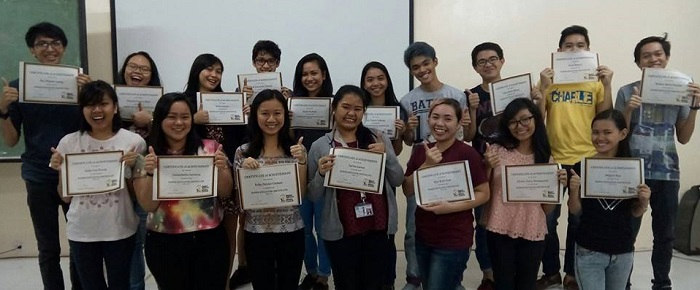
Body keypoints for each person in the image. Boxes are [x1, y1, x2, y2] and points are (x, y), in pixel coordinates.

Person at [0, 21, 91, 290]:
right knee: (48, 247)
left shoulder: (81, 85)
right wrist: (3, 110)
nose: (50, 49)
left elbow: (96, 127)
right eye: (42, 43)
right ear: (32, 50)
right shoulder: (18, 88)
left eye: (56, 43)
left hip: (75, 175)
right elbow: (11, 139)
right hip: (39, 176)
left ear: (63, 48)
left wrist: (88, 96)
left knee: (80, 242)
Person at [614, 34, 699, 290]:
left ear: (666, 57)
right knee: (626, 232)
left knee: (665, 235)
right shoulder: (627, 91)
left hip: (667, 173)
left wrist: (695, 107)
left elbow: (683, 137)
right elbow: (618, 136)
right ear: (639, 62)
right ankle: (623, 283)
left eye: (658, 54)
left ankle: (662, 283)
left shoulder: (682, 89)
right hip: (633, 172)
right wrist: (628, 109)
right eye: (646, 56)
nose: (653, 59)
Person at [534, 25, 614, 290]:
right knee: (547, 220)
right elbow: (537, 119)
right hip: (553, 159)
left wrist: (607, 84)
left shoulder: (595, 81)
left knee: (579, 220)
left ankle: (572, 273)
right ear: (559, 51)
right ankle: (552, 273)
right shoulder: (549, 79)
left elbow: (605, 118)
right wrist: (543, 88)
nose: (575, 49)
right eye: (569, 45)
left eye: (581, 45)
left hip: (586, 159)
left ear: (589, 50)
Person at [49, 80, 146, 289]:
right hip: (82, 230)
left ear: (115, 107)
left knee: (120, 284)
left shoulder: (133, 142)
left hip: (120, 227)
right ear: (82, 110)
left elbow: (136, 195)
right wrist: (60, 170)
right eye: (90, 105)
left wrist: (133, 168)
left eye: (103, 104)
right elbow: (65, 197)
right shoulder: (69, 143)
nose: (97, 110)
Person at [306, 85, 404, 290]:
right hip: (341, 232)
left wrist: (386, 156)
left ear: (364, 112)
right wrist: (322, 174)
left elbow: (397, 179)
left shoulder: (378, 138)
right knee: (346, 283)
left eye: (358, 108)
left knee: (374, 284)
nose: (351, 113)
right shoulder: (320, 145)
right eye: (346, 107)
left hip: (377, 226)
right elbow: (312, 195)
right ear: (334, 108)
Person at [133, 92, 233, 289]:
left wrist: (221, 168)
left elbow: (225, 192)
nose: (179, 122)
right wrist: (151, 173)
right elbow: (148, 205)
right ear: (160, 119)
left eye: (185, 117)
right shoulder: (147, 155)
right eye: (171, 116)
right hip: (165, 242)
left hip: (209, 239)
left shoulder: (210, 148)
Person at [399, 42, 470, 290]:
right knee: (413, 225)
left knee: (451, 219)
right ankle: (414, 277)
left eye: (425, 63)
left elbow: (466, 133)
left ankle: (451, 279)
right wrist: (407, 131)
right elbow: (409, 140)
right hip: (423, 158)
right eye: (415, 67)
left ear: (435, 62)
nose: (422, 70)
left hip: (452, 164)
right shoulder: (407, 99)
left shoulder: (456, 95)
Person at [402, 98, 490, 290]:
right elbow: (407, 189)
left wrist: (451, 207)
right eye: (435, 117)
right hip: (423, 236)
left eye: (448, 118)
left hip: (454, 238)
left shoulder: (468, 154)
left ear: (459, 124)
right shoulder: (420, 151)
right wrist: (426, 165)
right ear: (428, 120)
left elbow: (484, 193)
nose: (440, 123)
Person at [481, 98, 564, 290]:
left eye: (525, 119)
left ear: (535, 119)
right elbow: (484, 192)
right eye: (513, 121)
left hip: (532, 229)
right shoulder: (496, 151)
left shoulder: (546, 158)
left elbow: (547, 209)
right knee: (503, 283)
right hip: (499, 228)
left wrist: (556, 189)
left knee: (526, 284)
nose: (519, 126)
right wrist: (487, 166)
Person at [567, 109, 651, 289]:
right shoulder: (581, 167)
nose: (600, 138)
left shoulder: (633, 169)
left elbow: (635, 212)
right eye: (595, 132)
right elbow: (575, 210)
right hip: (589, 249)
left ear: (622, 134)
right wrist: (574, 190)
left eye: (607, 132)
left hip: (622, 251)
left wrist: (644, 202)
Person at [229, 40, 289, 289]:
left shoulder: (284, 93)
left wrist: (288, 101)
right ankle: (246, 268)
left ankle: (277, 266)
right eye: (260, 60)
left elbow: (288, 129)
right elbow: (231, 127)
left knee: (279, 211)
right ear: (253, 63)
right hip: (249, 157)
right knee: (247, 217)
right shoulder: (240, 91)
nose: (265, 65)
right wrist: (242, 105)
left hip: (278, 158)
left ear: (277, 64)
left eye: (271, 61)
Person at [233, 89, 307, 289]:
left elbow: (301, 194)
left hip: (291, 230)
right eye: (265, 113)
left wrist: (301, 161)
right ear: (255, 115)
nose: (271, 119)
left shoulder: (296, 150)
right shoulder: (243, 152)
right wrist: (245, 174)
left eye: (277, 113)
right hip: (256, 232)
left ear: (285, 115)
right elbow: (239, 200)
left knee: (288, 284)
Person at [183, 53, 244, 290]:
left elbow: (240, 140)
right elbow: (170, 131)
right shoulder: (184, 102)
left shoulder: (227, 101)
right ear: (197, 70)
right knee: (198, 235)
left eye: (219, 71)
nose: (214, 75)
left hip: (224, 174)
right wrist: (193, 119)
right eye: (209, 69)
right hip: (193, 180)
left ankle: (224, 283)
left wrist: (245, 113)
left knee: (228, 234)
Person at [114, 50, 162, 290]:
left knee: (151, 239)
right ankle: (135, 286)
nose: (138, 72)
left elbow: (167, 138)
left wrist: (151, 121)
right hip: (117, 187)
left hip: (147, 184)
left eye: (144, 69)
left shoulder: (161, 106)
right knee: (128, 244)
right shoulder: (110, 103)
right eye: (133, 66)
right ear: (124, 70)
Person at [464, 42, 507, 290]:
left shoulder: (514, 90)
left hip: (510, 167)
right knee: (482, 221)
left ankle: (505, 270)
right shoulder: (471, 94)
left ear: (502, 61)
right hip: (481, 166)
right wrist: (470, 108)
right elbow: (469, 135)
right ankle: (488, 274)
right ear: (475, 67)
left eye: (493, 59)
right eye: (482, 61)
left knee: (506, 219)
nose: (488, 64)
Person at [360, 61, 406, 290]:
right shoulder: (358, 108)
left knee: (385, 230)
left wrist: (400, 133)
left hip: (386, 176)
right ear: (364, 83)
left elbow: (396, 151)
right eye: (370, 79)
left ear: (387, 80)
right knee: (365, 227)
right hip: (361, 174)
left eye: (380, 78)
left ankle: (387, 281)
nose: (375, 83)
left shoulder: (397, 109)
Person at [293, 53, 334, 290]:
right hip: (298, 175)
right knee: (304, 229)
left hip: (325, 174)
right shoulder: (292, 105)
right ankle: (310, 271)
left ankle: (323, 274)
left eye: (314, 73)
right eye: (305, 74)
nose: (309, 78)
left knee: (324, 227)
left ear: (324, 75)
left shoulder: (335, 103)